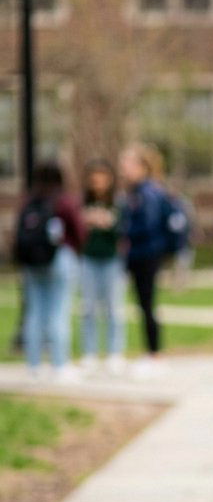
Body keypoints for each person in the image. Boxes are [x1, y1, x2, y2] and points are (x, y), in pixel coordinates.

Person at [14, 159, 85, 383]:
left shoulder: (29, 201)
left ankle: (33, 365)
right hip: (60, 261)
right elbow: (80, 232)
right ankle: (59, 365)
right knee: (58, 312)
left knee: (35, 313)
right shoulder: (64, 201)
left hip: (32, 265)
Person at [118, 142, 183, 378]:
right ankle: (152, 352)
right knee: (144, 304)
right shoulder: (137, 191)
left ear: (141, 166)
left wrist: (122, 231)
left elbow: (148, 225)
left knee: (147, 304)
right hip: (142, 254)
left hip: (146, 254)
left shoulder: (147, 193)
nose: (123, 168)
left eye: (127, 163)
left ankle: (154, 354)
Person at [79, 158, 128, 377]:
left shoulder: (118, 203)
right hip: (88, 259)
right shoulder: (83, 202)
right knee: (88, 308)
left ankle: (114, 353)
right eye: (94, 178)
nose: (97, 182)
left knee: (113, 308)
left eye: (102, 177)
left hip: (111, 260)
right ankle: (89, 353)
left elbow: (123, 230)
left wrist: (108, 223)